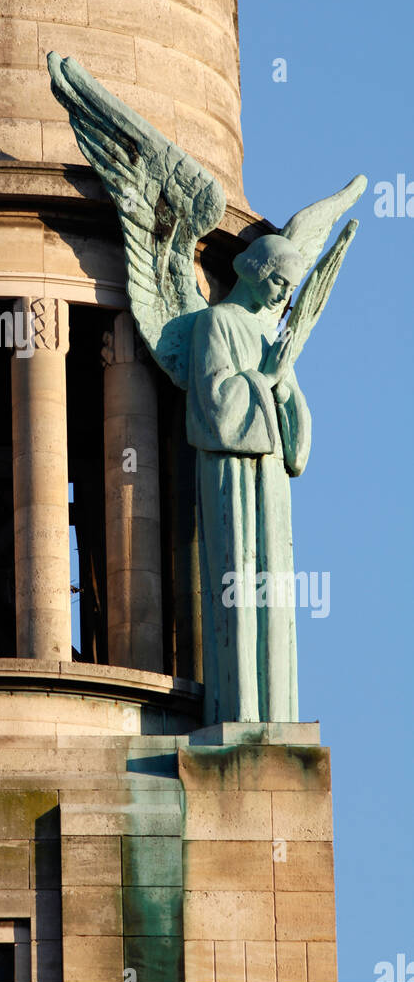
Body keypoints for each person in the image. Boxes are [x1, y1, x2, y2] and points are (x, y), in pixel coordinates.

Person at [187, 234, 311, 723]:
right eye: (278, 280)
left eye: (290, 286)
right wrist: (266, 378)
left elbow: (297, 442)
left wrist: (280, 382)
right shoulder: (216, 323)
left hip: (271, 483)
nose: (283, 293)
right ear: (253, 270)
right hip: (232, 476)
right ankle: (240, 710)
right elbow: (215, 405)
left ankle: (275, 712)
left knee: (273, 590)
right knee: (237, 582)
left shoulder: (270, 334)